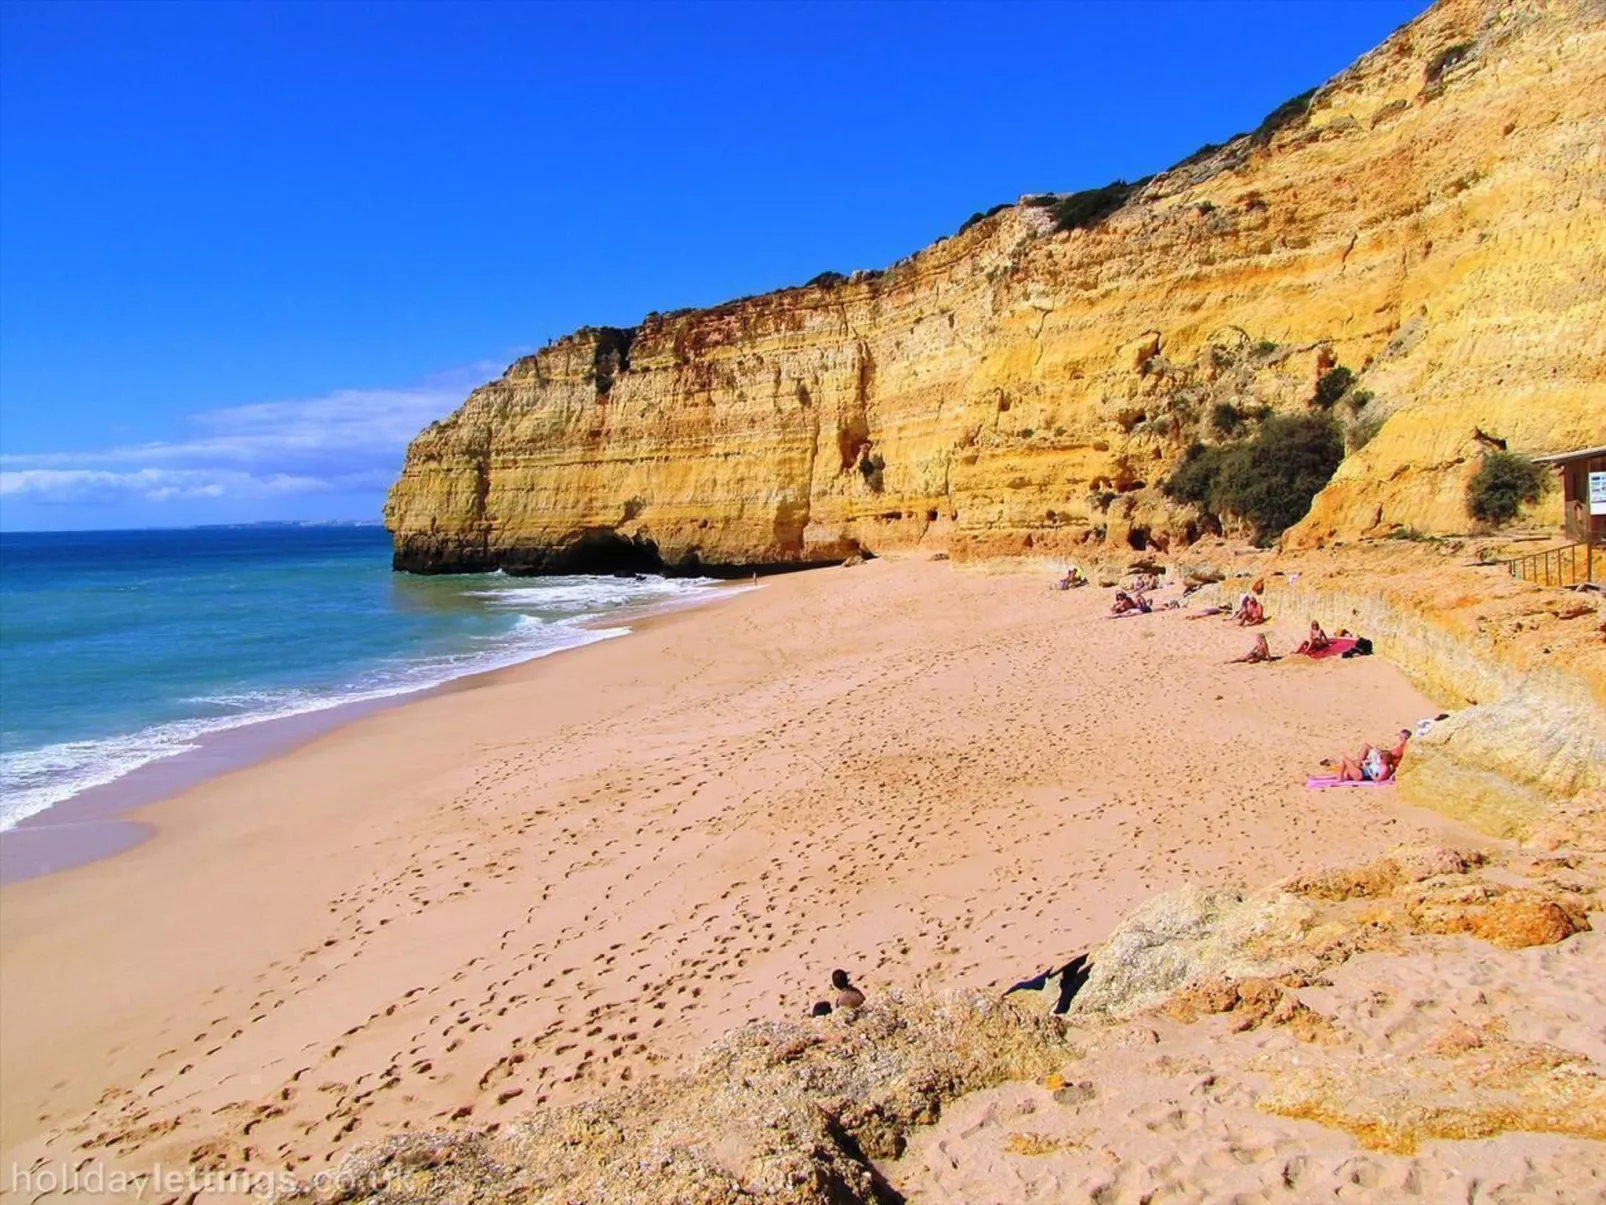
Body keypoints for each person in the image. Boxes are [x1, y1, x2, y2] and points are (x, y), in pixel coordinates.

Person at [1331, 729, 1411, 782]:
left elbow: (1389, 756)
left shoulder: (1402, 749)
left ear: (1404, 738)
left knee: (1363, 749)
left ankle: (1346, 773)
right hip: (1382, 760)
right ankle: (1355, 766)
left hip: (1382, 760)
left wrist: (1380, 752)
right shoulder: (1402, 746)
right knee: (1365, 747)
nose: (1399, 738)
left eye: (1401, 737)